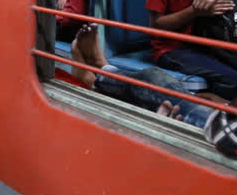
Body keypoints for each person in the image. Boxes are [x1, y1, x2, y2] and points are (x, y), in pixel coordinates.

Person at [71, 23, 213, 127]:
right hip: (223, 119)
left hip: (216, 125)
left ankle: (98, 74)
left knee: (152, 79)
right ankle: (101, 69)